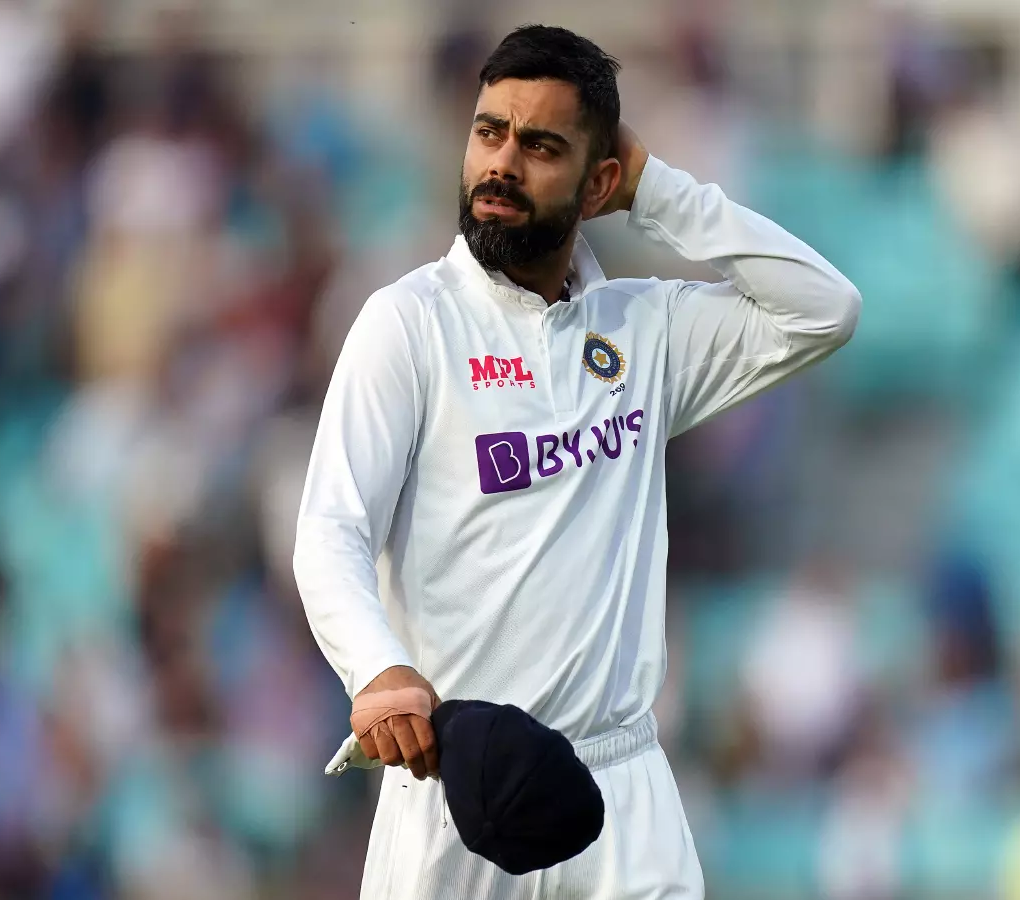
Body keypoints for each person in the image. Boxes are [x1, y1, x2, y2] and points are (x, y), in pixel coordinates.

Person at [293, 24, 860, 900]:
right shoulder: (408, 325)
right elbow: (331, 527)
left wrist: (658, 190)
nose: (503, 165)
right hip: (459, 794)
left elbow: (823, 310)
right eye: (490, 133)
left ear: (599, 182)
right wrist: (376, 668)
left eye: (541, 146)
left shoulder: (645, 328)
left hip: (622, 791)